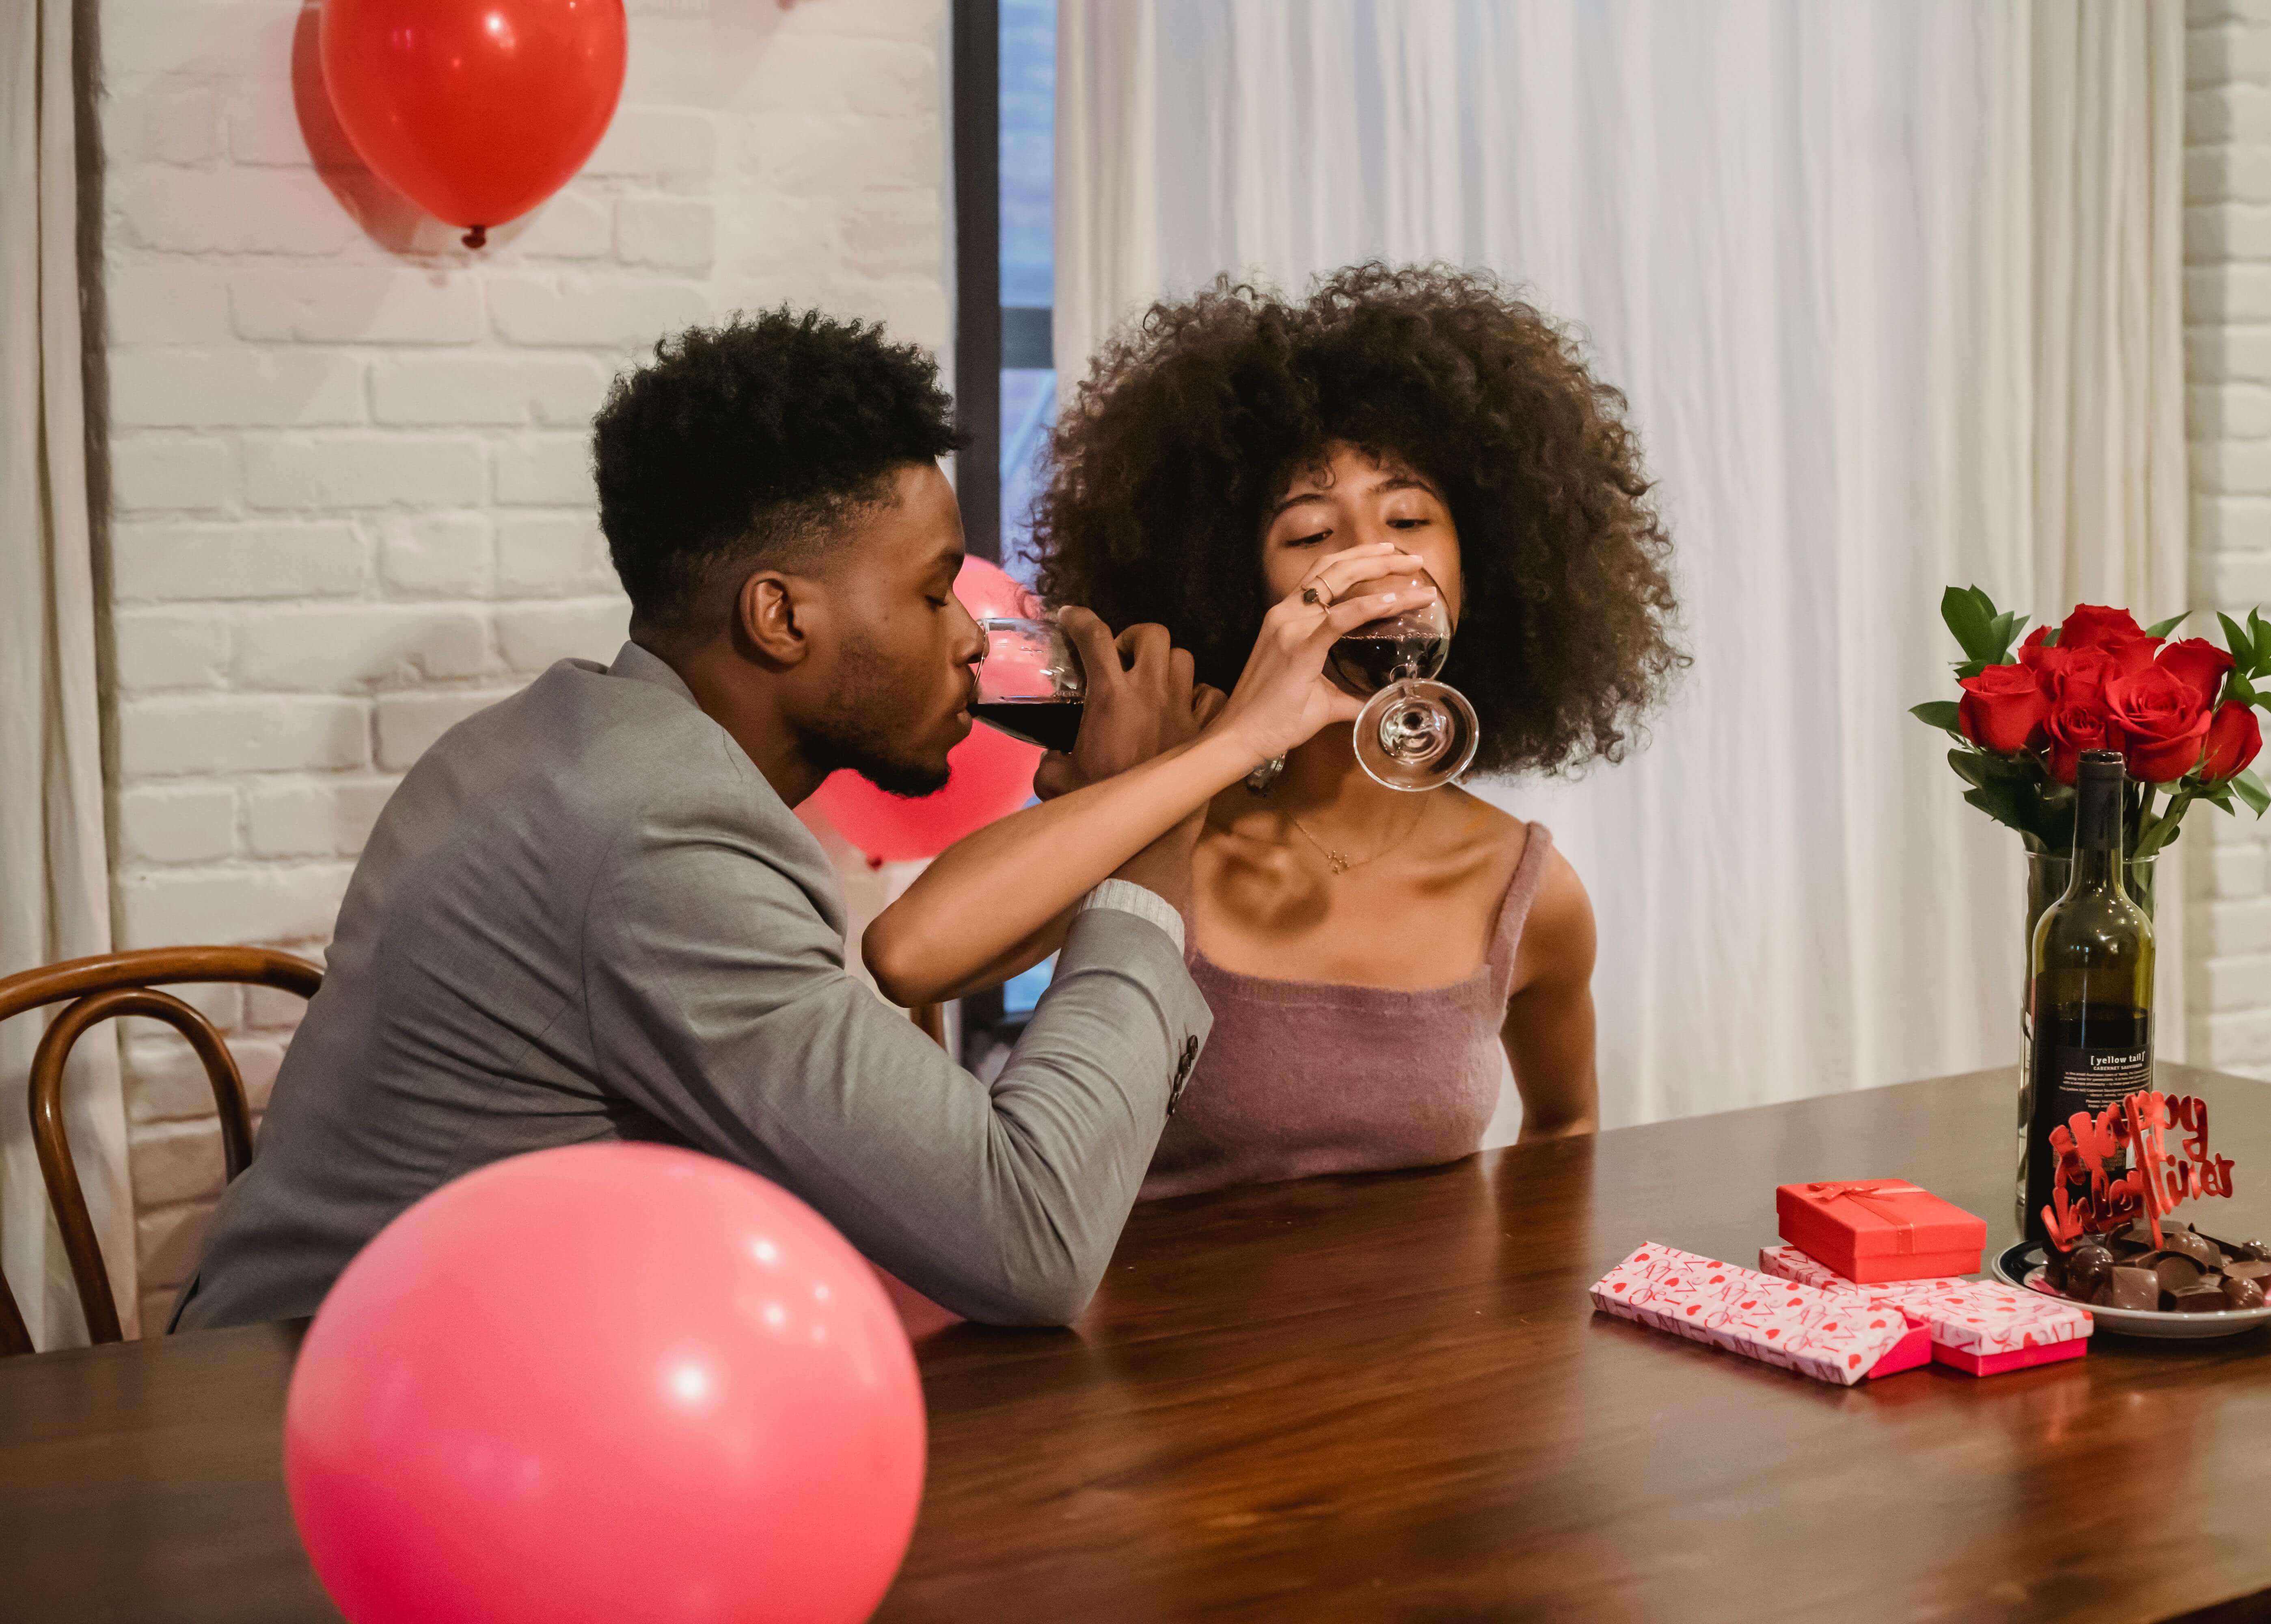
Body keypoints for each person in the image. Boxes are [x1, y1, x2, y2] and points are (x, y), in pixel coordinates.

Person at [173, 308, 1399, 1330]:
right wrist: (1178, 805)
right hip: (331, 1443)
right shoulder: (659, 837)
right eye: (932, 592)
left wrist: (1121, 803)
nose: (975, 634)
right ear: (780, 618)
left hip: (462, 1360)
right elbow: (1030, 1240)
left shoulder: (550, 742)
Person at [863, 264, 1685, 1198]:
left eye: (1409, 516)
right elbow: (910, 953)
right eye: (1308, 534)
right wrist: (1234, 744)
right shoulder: (1168, 831)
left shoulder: (1527, 893)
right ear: (1235, 585)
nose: (1370, 557)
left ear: (1481, 560)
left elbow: (1567, 1127)